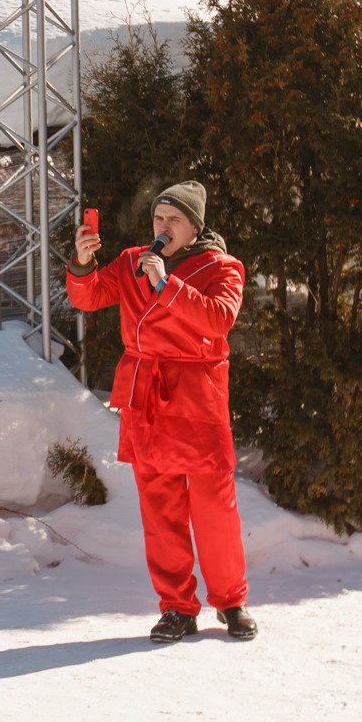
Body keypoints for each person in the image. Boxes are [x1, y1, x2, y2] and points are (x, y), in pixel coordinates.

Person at [67, 181, 256, 644]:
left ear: (194, 226)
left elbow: (218, 319)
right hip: (146, 395)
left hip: (196, 394)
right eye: (157, 218)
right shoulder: (133, 260)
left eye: (173, 219)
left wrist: (165, 284)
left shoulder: (223, 267)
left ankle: (231, 602)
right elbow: (87, 297)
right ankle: (176, 607)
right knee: (160, 506)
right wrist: (83, 261)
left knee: (214, 505)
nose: (163, 227)